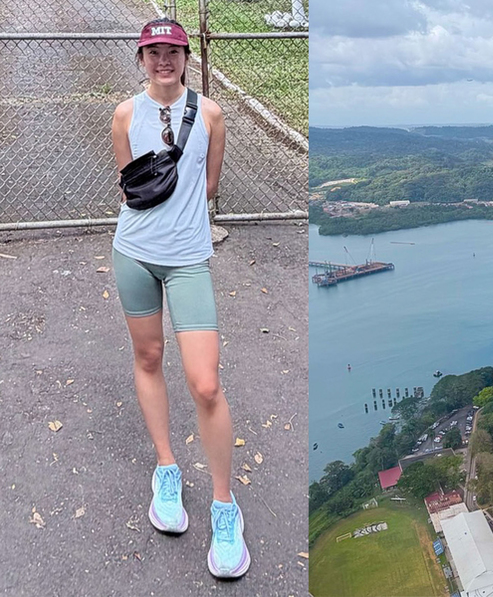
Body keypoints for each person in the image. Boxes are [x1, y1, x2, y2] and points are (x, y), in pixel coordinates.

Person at [110, 17, 250, 579]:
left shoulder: (211, 114)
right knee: (148, 358)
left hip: (189, 258)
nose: (163, 60)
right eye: (153, 52)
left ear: (187, 57)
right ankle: (166, 469)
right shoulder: (124, 115)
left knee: (206, 381)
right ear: (141, 58)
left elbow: (209, 185)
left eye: (172, 51)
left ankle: (224, 505)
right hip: (134, 253)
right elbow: (131, 185)